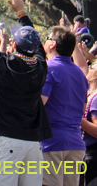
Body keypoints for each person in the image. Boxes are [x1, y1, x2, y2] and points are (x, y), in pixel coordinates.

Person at [0, 0, 50, 186]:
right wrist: (22, 13)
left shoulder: (3, 65)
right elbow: (38, 47)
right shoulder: (40, 67)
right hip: (33, 145)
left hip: (7, 142)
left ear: (14, 46)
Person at [41, 26, 88, 186]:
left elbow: (39, 104)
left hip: (52, 143)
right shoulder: (79, 73)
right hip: (75, 144)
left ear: (53, 44)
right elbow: (82, 109)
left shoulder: (49, 68)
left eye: (47, 38)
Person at [81, 57, 97, 186]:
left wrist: (79, 120)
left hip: (93, 154)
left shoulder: (96, 99)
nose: (88, 69)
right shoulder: (89, 93)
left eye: (91, 67)